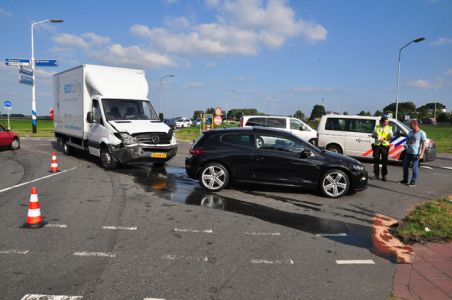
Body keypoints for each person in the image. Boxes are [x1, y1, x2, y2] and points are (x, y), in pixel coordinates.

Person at [400, 119, 427, 187]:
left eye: (411, 125)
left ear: (415, 125)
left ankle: (413, 181)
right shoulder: (410, 132)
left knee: (414, 168)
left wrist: (422, 153)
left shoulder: (422, 133)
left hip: (415, 153)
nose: (410, 126)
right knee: (405, 166)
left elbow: (424, 144)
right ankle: (405, 179)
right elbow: (408, 141)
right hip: (408, 152)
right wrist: (406, 145)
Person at [371, 116, 393, 181]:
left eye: (387, 122)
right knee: (376, 161)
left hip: (384, 146)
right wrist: (377, 137)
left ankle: (384, 175)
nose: (387, 123)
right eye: (386, 122)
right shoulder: (377, 127)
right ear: (382, 122)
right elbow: (373, 135)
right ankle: (376, 175)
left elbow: (391, 136)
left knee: (384, 161)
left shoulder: (389, 128)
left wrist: (384, 138)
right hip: (377, 145)